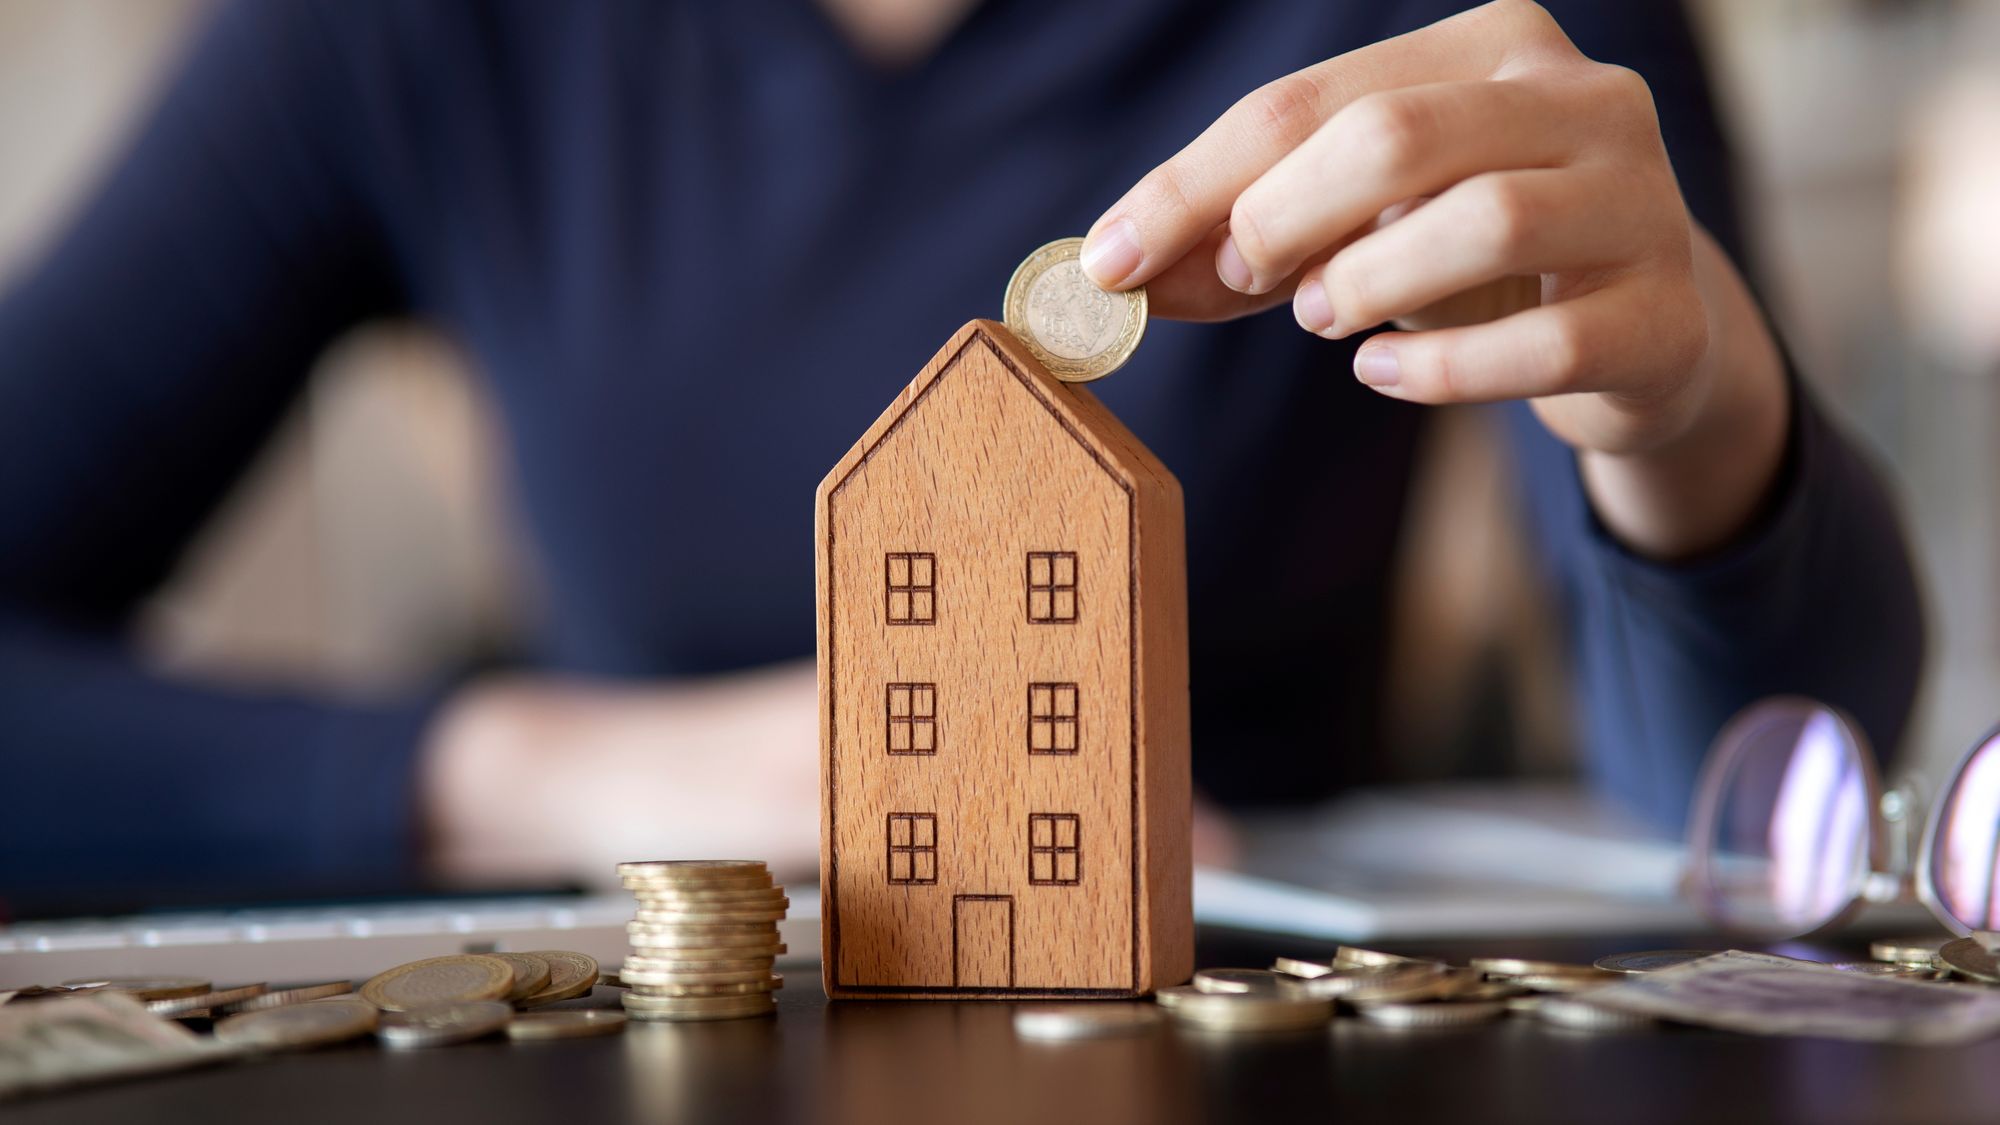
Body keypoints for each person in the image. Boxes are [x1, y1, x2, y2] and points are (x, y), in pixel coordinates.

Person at [0, 0, 1922, 909]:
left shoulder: (1460, 26)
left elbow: (1769, 801)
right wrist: (554, 769)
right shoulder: (393, 36)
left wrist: (1694, 414)